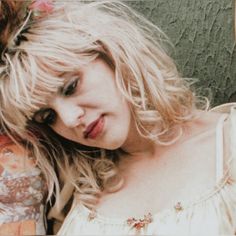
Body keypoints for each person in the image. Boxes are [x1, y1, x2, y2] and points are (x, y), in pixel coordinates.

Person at [0, 0, 236, 235]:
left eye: (71, 87)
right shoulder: (78, 198)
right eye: (49, 116)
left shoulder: (227, 145)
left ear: (109, 54)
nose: (70, 119)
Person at [0, 132, 47, 235]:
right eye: (7, 153)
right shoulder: (4, 177)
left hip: (29, 216)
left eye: (29, 156)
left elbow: (37, 194)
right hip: (7, 218)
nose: (15, 160)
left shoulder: (36, 177)